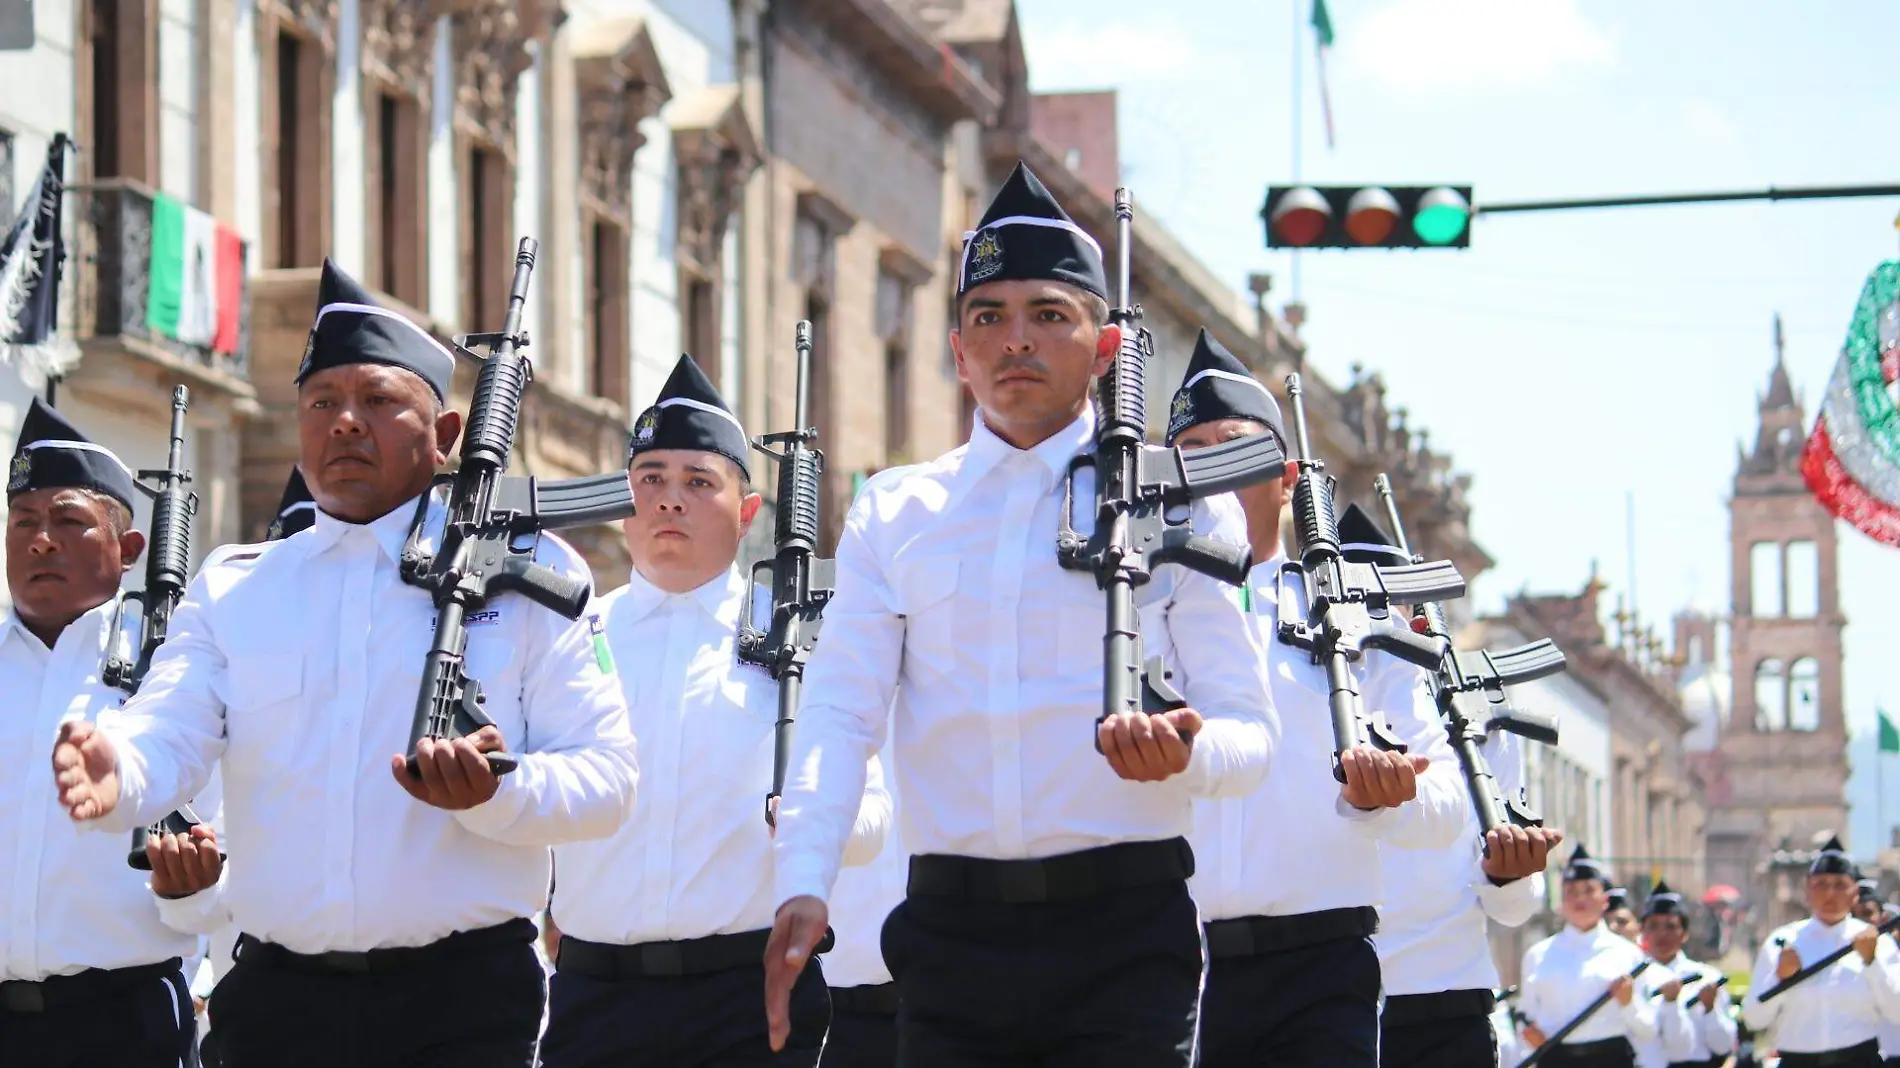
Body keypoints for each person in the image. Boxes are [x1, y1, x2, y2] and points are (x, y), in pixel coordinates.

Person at [50, 258, 640, 1068]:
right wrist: (116, 769)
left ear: (444, 437)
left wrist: (502, 792)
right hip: (278, 1005)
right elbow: (168, 729)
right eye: (322, 403)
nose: (345, 423)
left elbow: (608, 781)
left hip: (463, 1002)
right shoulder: (239, 587)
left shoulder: (531, 570)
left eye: (377, 400)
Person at [763, 161, 1277, 1068]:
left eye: (1048, 314)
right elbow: (841, 715)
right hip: (950, 931)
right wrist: (804, 881)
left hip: (1126, 927)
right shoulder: (896, 512)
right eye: (988, 318)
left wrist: (1187, 753)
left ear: (1106, 347)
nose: (1015, 342)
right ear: (957, 351)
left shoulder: (1184, 507)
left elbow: (1250, 734)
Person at [540, 355, 890, 1068]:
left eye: (699, 482)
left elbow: (872, 815)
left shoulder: (798, 639)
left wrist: (811, 816)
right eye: (651, 481)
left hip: (747, 997)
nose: (671, 501)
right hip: (593, 997)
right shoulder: (574, 637)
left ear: (748, 510)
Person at [1163, 329, 1469, 1067]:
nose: (1212, 471)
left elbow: (1449, 803)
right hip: (1168, 956)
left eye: (1234, 449)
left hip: (1318, 960)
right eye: (1191, 452)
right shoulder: (1132, 611)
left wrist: (1385, 795)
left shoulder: (1353, 623)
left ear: (1286, 477)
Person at [0, 397, 220, 1066]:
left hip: (124, 1022)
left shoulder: (176, 668)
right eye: (24, 521)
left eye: (68, 520)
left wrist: (196, 887)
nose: (41, 540)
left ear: (127, 550)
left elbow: (229, 845)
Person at [1370, 642, 1562, 1068]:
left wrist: (1506, 877)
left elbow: (1515, 907)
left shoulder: (1473, 706)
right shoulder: (1299, 665)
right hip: (1318, 981)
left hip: (1444, 998)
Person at [1743, 837, 1900, 1068]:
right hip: (1797, 1062)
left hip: (1858, 1061)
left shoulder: (1877, 941)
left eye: (1839, 885)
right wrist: (1779, 977)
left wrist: (1872, 962)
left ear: (1855, 892)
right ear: (1807, 890)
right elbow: (1753, 1018)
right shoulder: (1783, 941)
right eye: (1821, 884)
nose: (1830, 894)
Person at [1517, 846, 1662, 1067]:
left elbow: (1648, 1030)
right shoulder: (1537, 955)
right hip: (1555, 1058)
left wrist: (1628, 1003)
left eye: (1588, 890)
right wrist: (1529, 1036)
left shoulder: (1627, 954)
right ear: (1561, 902)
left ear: (1604, 899)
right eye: (1571, 891)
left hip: (1611, 1058)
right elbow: (1524, 1016)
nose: (1580, 898)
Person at [1635, 881, 1735, 1068]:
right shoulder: (1634, 978)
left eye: (1671, 926)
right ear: (1643, 931)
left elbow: (1724, 1046)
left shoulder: (1706, 977)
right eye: (1654, 926)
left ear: (1685, 933)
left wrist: (1709, 1009)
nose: (1662, 934)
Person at [1854, 881, 1900, 1068]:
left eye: (1867, 913)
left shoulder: (1891, 950)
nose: (1859, 921)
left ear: (1882, 918)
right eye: (1853, 914)